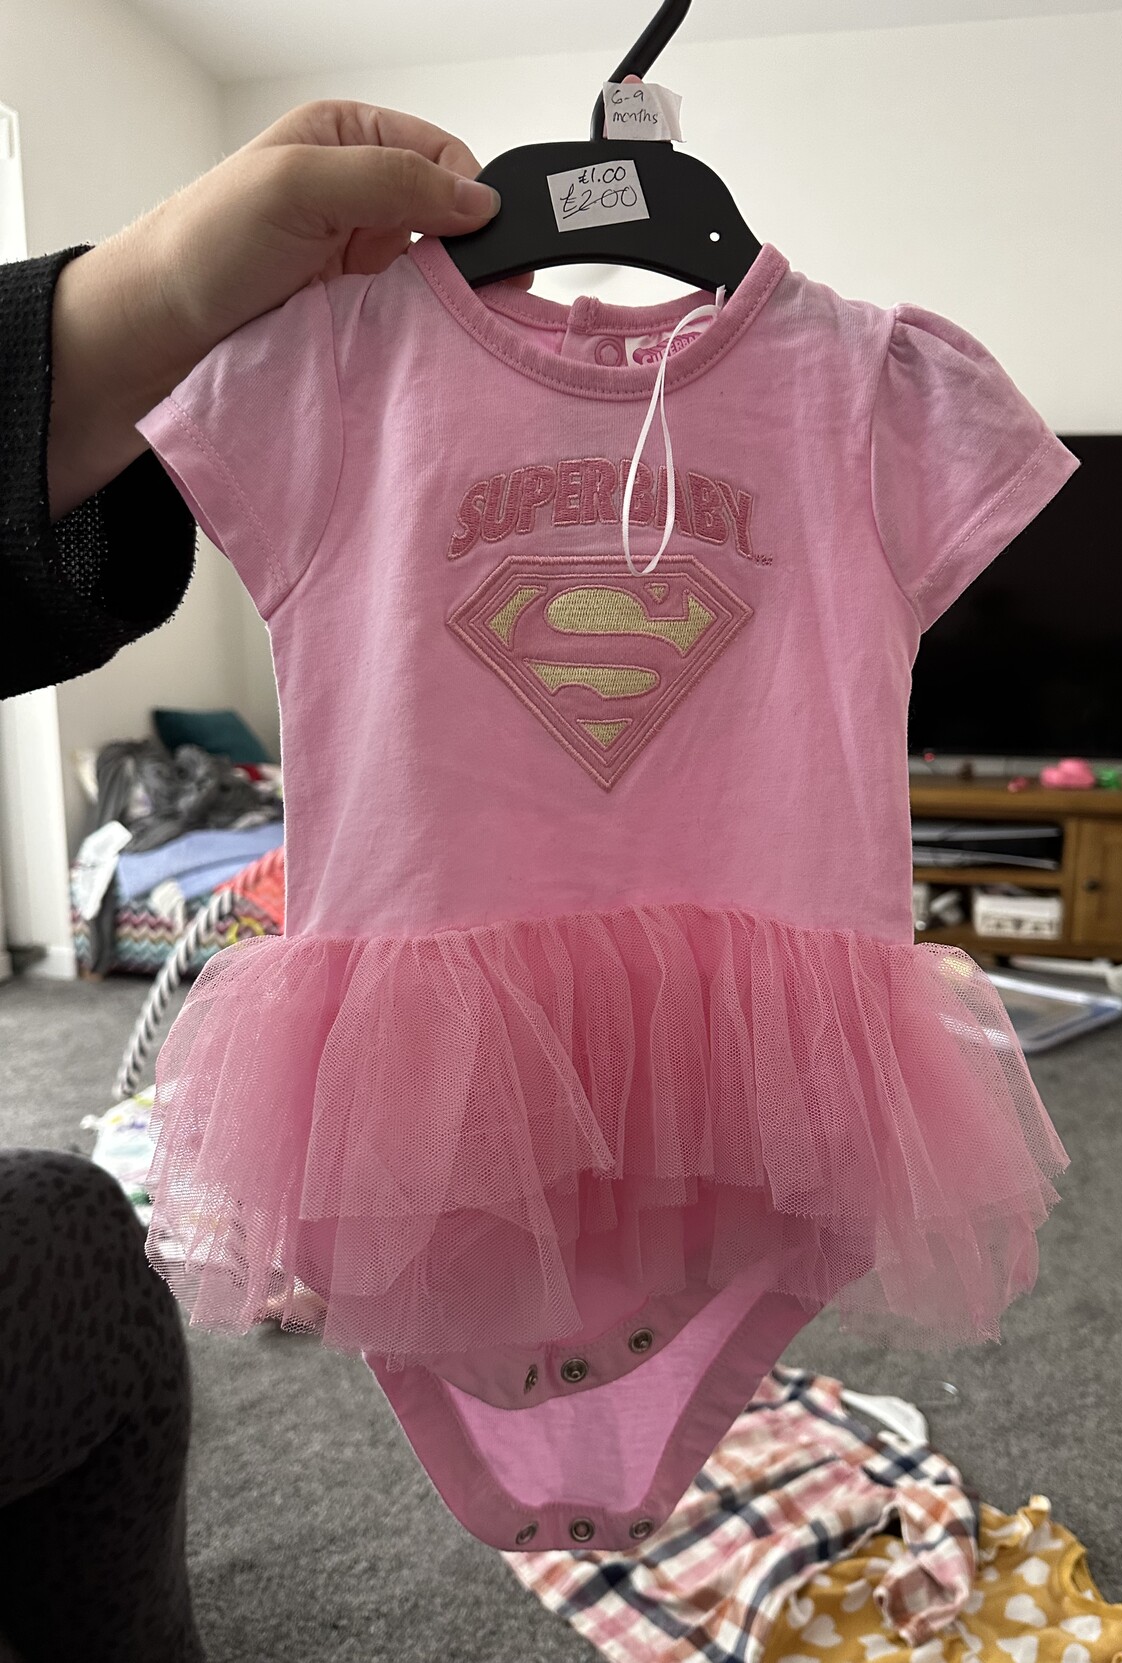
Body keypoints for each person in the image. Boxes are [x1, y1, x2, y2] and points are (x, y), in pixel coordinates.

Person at [0, 100, 505, 1663]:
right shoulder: (347, 381)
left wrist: (148, 297)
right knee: (89, 1230)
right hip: (403, 932)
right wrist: (154, 298)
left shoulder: (859, 377)